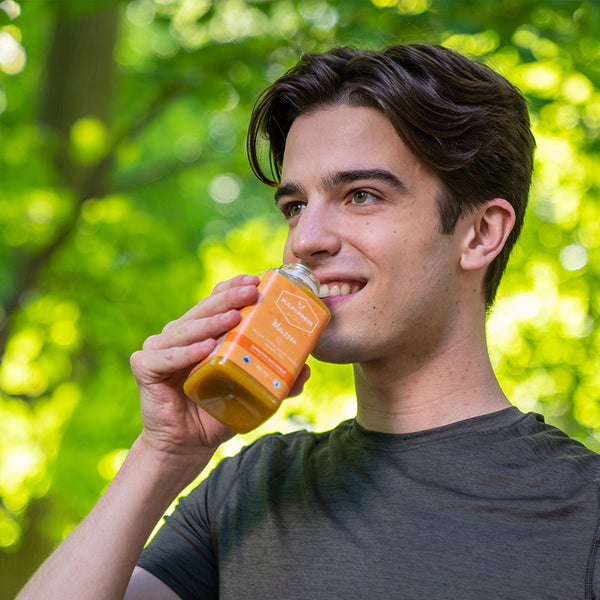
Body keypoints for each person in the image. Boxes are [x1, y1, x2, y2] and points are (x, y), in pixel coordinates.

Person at [17, 43, 600, 600]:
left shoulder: (586, 510)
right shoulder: (248, 491)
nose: (306, 240)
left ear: (479, 234)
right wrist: (161, 455)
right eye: (296, 207)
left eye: (362, 195)